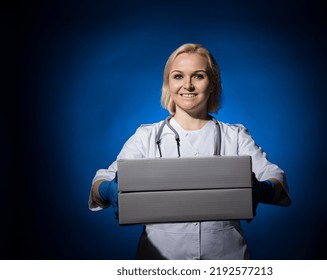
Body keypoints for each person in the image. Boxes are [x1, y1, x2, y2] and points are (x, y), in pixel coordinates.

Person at [88, 43, 291, 260]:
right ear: (168, 83)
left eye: (198, 76)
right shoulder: (146, 136)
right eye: (178, 76)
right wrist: (108, 190)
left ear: (212, 83)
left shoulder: (236, 136)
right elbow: (100, 181)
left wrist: (263, 190)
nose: (188, 85)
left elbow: (276, 176)